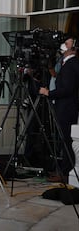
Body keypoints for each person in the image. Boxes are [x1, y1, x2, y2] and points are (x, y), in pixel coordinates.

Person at [39, 37, 79, 182]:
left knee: (66, 141)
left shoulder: (72, 64)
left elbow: (67, 89)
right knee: (64, 140)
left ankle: (66, 173)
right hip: (64, 106)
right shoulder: (66, 63)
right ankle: (63, 171)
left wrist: (48, 93)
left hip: (67, 108)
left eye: (67, 43)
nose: (63, 45)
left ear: (73, 47)